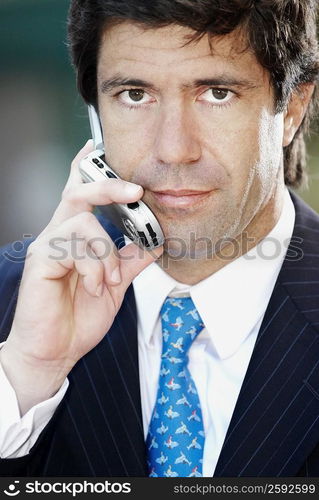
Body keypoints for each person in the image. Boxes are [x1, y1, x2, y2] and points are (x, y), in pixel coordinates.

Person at [0, 0, 318, 477]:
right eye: (134, 95)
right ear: (96, 119)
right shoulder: (14, 304)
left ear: (291, 108)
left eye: (216, 93)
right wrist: (26, 373)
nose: (173, 150)